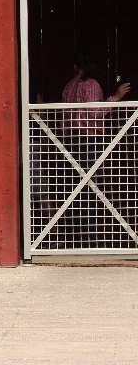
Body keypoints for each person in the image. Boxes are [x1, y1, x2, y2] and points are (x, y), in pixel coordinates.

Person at [60, 49, 131, 246]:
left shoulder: (68, 87)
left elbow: (66, 119)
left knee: (76, 190)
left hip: (72, 142)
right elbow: (95, 111)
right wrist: (115, 98)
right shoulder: (90, 84)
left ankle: (76, 237)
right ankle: (92, 238)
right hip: (89, 141)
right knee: (91, 190)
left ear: (75, 66)